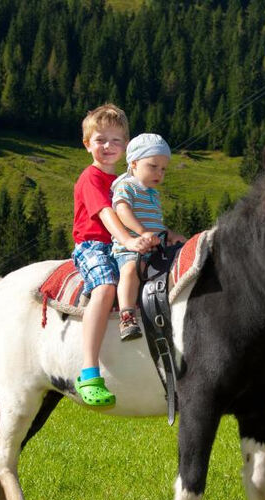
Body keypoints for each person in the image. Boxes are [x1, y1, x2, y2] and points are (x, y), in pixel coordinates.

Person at [71, 104, 158, 409]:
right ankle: (89, 371)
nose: (108, 146)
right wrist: (128, 240)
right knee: (106, 286)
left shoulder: (125, 181)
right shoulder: (91, 178)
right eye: (100, 140)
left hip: (122, 244)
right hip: (94, 244)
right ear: (87, 144)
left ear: (126, 144)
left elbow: (138, 214)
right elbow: (107, 214)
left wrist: (160, 234)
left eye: (116, 140)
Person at [110, 133, 187, 340]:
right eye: (153, 166)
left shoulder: (153, 194)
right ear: (134, 163)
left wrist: (170, 235)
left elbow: (156, 225)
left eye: (163, 169)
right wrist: (142, 233)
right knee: (129, 271)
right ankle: (126, 315)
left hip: (153, 248)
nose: (159, 173)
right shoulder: (126, 186)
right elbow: (122, 211)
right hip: (130, 248)